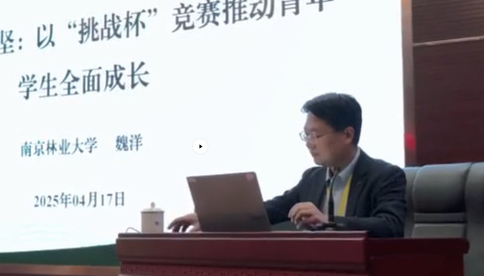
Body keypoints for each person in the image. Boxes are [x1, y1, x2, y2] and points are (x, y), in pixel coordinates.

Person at [167, 92, 406, 238]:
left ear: (347, 134)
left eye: (316, 135)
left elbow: (391, 226)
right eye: (306, 135)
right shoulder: (313, 177)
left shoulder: (385, 175)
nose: (309, 143)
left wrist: (329, 221)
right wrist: (212, 218)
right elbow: (271, 210)